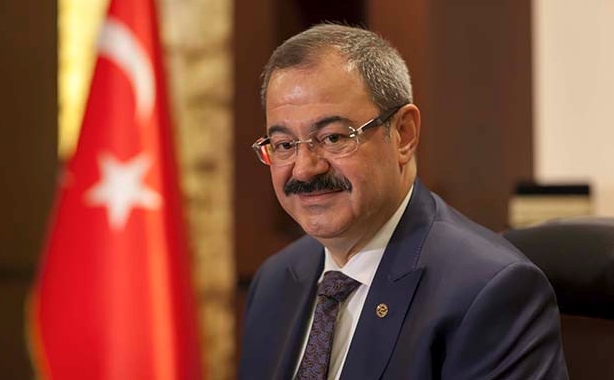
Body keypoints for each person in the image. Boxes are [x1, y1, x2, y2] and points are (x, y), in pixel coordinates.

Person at [238, 23, 568, 380]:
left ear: (403, 134)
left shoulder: (489, 291)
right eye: (285, 145)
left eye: (333, 138)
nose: (304, 169)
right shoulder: (275, 280)